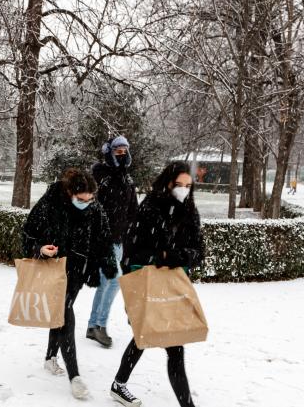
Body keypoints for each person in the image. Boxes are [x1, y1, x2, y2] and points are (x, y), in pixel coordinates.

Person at [110, 161, 205, 407]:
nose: (183, 190)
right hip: (146, 287)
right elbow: (131, 253)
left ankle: (119, 384)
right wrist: (160, 258)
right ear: (168, 183)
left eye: (188, 185)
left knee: (164, 343)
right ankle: (120, 385)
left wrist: (181, 257)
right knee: (145, 336)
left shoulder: (189, 211)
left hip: (174, 290)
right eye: (178, 185)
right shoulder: (150, 208)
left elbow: (199, 251)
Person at [22, 168, 117, 400]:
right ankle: (74, 376)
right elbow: (28, 233)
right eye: (80, 199)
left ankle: (50, 357)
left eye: (89, 199)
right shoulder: (50, 203)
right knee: (64, 314)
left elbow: (104, 237)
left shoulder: (94, 207)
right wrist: (40, 249)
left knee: (60, 312)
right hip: (54, 267)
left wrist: (108, 263)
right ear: (68, 192)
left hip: (78, 270)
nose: (86, 203)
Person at [86, 136, 138, 348]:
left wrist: (134, 233)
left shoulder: (127, 178)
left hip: (120, 239)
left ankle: (94, 325)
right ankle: (97, 325)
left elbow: (133, 209)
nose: (122, 154)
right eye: (118, 151)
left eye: (125, 150)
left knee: (111, 281)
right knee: (112, 279)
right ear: (109, 151)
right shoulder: (100, 175)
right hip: (104, 237)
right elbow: (90, 205)